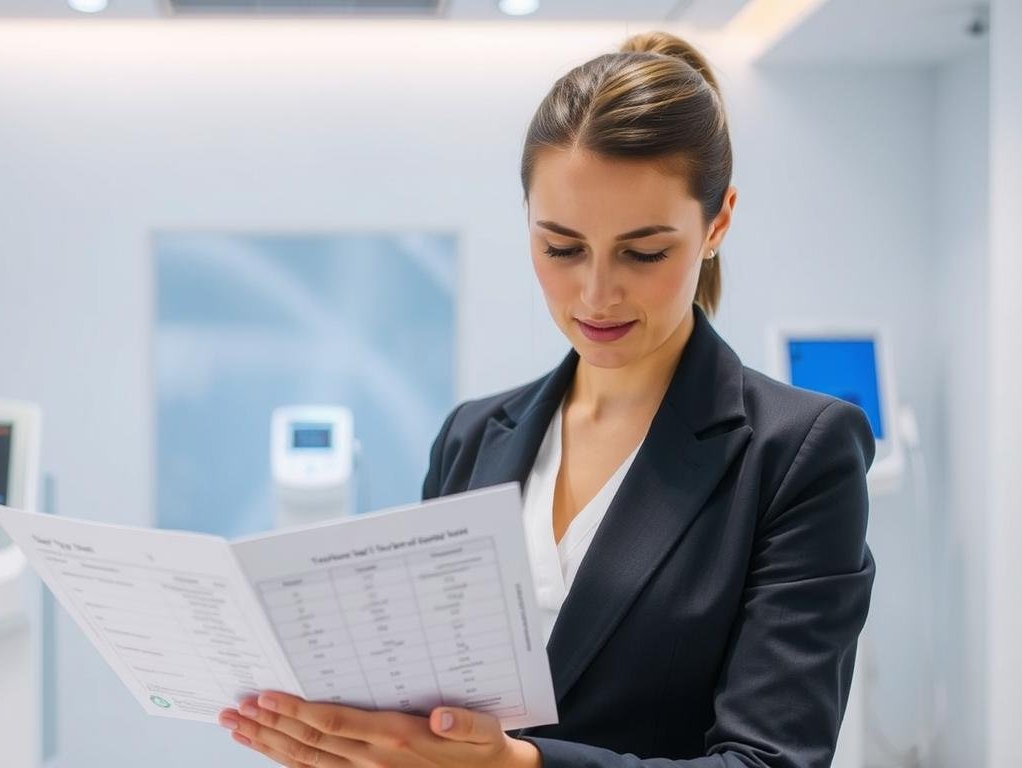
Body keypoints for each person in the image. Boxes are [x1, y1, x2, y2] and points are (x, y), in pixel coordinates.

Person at [218, 30, 875, 768]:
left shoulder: (797, 456)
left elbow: (769, 762)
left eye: (644, 252)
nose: (596, 294)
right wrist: (354, 743)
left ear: (717, 222)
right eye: (561, 248)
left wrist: (515, 765)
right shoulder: (471, 438)